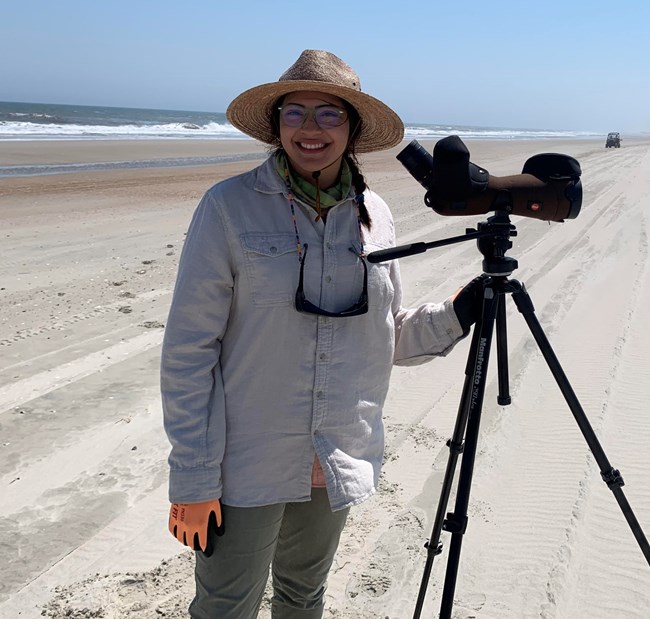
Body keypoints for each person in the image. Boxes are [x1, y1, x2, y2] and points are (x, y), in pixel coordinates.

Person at [161, 49, 482, 618]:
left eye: (330, 114)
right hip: (245, 458)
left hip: (337, 451)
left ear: (353, 129)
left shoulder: (375, 212)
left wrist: (458, 312)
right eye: (295, 112)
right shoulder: (228, 207)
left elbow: (385, 335)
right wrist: (193, 476)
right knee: (224, 606)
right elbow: (189, 351)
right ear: (277, 123)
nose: (311, 129)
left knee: (303, 597)